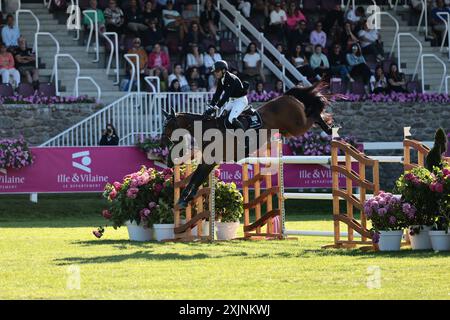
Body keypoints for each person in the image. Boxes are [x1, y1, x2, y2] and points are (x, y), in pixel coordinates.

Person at [203, 60, 249, 130]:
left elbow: (225, 96)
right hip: (232, 101)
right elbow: (217, 94)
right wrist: (211, 106)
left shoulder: (231, 79)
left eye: (217, 71)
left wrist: (215, 108)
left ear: (223, 70)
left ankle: (246, 138)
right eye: (215, 72)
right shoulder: (221, 79)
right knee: (220, 119)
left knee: (231, 119)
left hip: (240, 100)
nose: (215, 73)